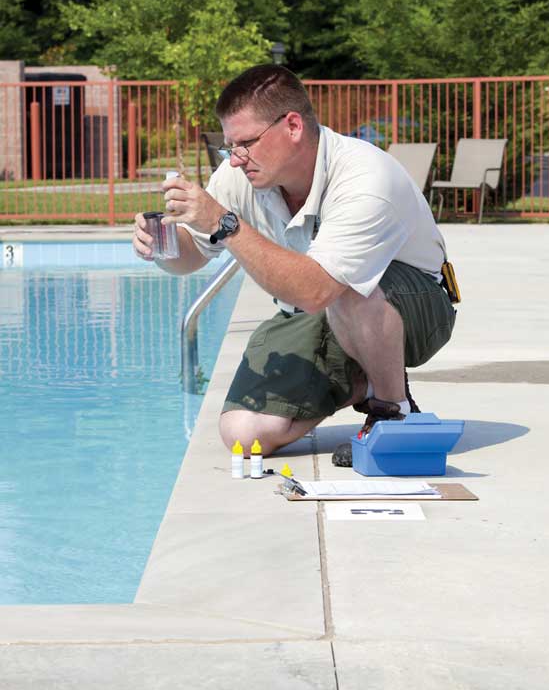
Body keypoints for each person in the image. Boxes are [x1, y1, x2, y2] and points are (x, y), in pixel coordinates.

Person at [133, 64, 456, 466]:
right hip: (317, 311)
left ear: (293, 127)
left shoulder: (364, 177)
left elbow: (317, 289)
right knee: (243, 436)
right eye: (229, 146)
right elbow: (193, 255)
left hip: (414, 309)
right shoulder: (241, 175)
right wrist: (161, 248)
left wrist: (225, 223)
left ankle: (391, 408)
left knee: (349, 289)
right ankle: (358, 379)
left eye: (245, 143)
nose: (235, 160)